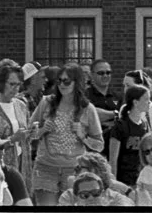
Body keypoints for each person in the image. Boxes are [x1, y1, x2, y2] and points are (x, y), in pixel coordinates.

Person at [32, 63, 104, 205]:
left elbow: (100, 145)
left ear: (77, 83)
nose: (62, 85)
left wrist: (83, 136)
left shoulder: (87, 109)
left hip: (74, 170)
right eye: (59, 80)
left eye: (67, 81)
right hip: (45, 168)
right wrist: (42, 130)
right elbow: (28, 134)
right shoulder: (46, 102)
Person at [0, 60, 33, 179]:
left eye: (18, 84)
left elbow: (25, 139)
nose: (16, 89)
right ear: (0, 83)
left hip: (22, 167)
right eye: (12, 84)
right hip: (0, 171)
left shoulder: (21, 105)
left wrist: (31, 132)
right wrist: (12, 139)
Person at [108, 83, 152, 188]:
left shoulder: (145, 125)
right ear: (135, 102)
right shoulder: (121, 126)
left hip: (140, 180)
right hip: (124, 180)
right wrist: (114, 184)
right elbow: (113, 158)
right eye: (146, 99)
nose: (149, 103)